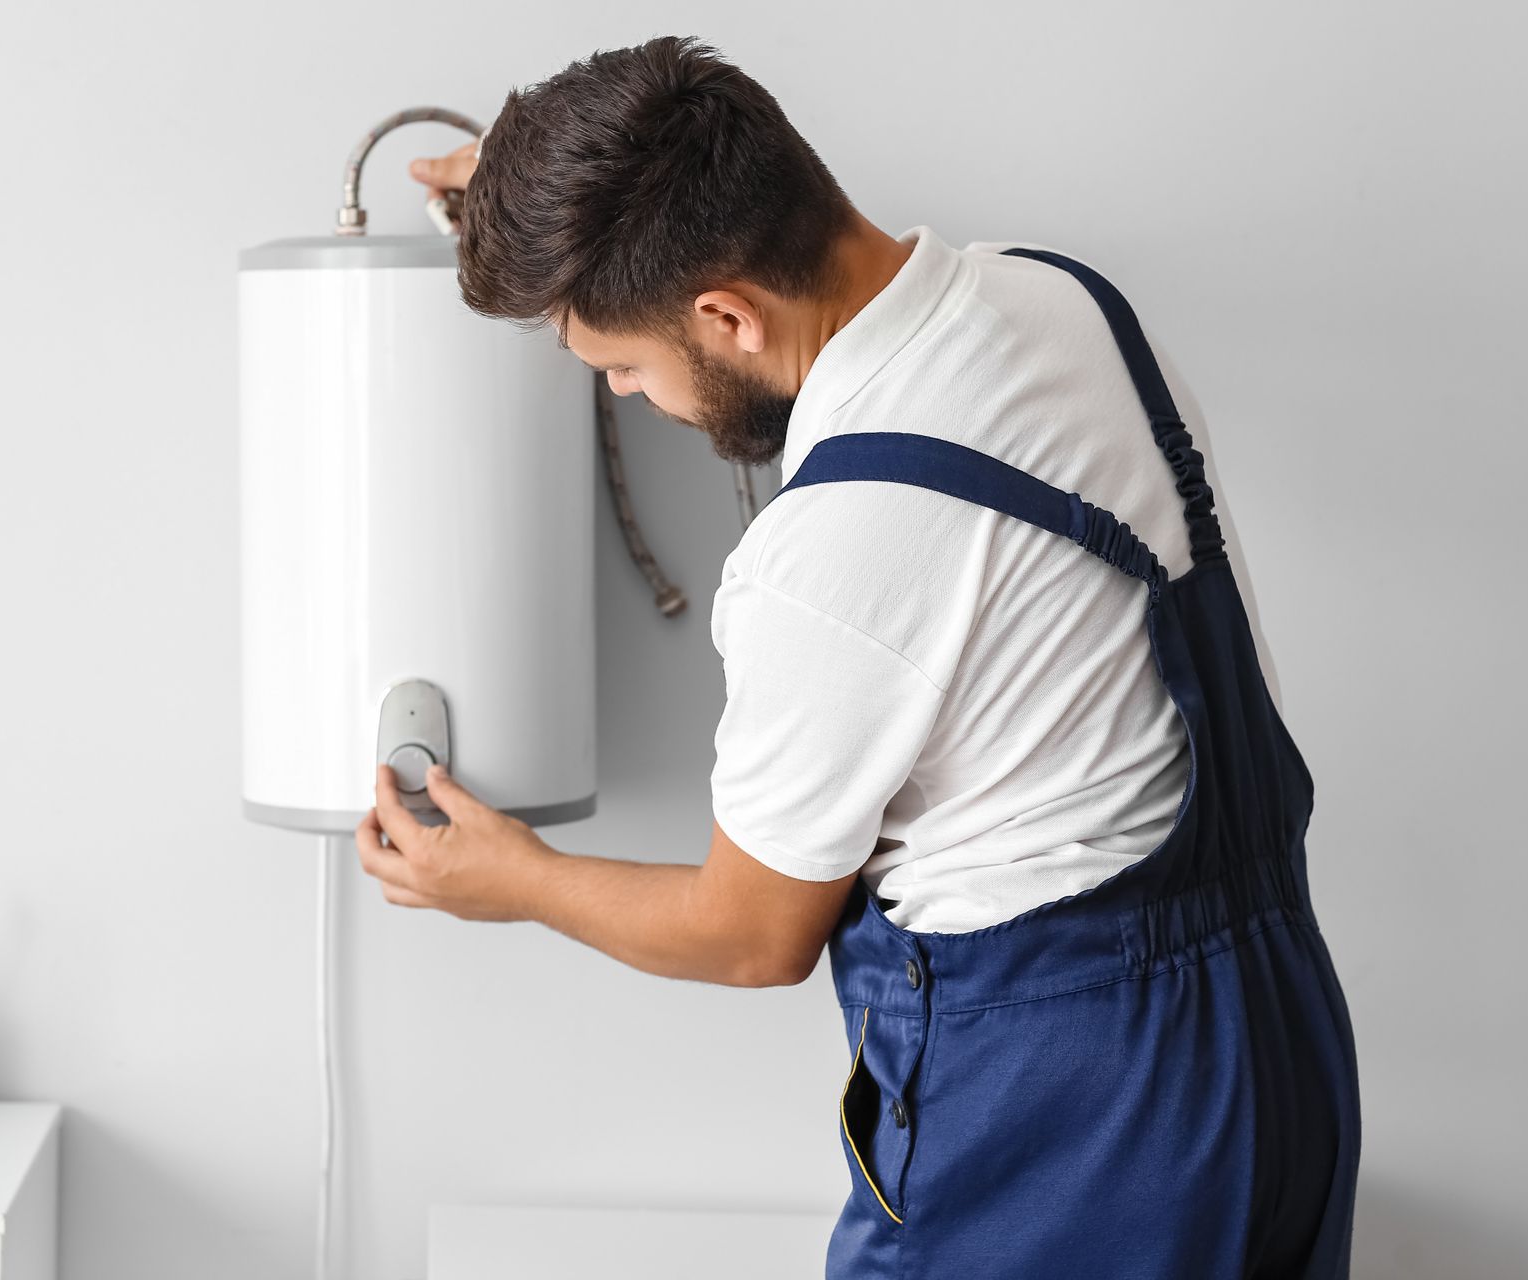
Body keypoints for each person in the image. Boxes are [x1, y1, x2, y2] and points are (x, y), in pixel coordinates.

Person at [359, 36, 1360, 1280]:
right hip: (1279, 1043)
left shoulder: (830, 550)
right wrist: (529, 194)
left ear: (725, 313)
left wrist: (514, 877)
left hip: (1075, 1121)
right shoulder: (1060, 297)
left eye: (620, 364)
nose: (625, 397)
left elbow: (751, 932)